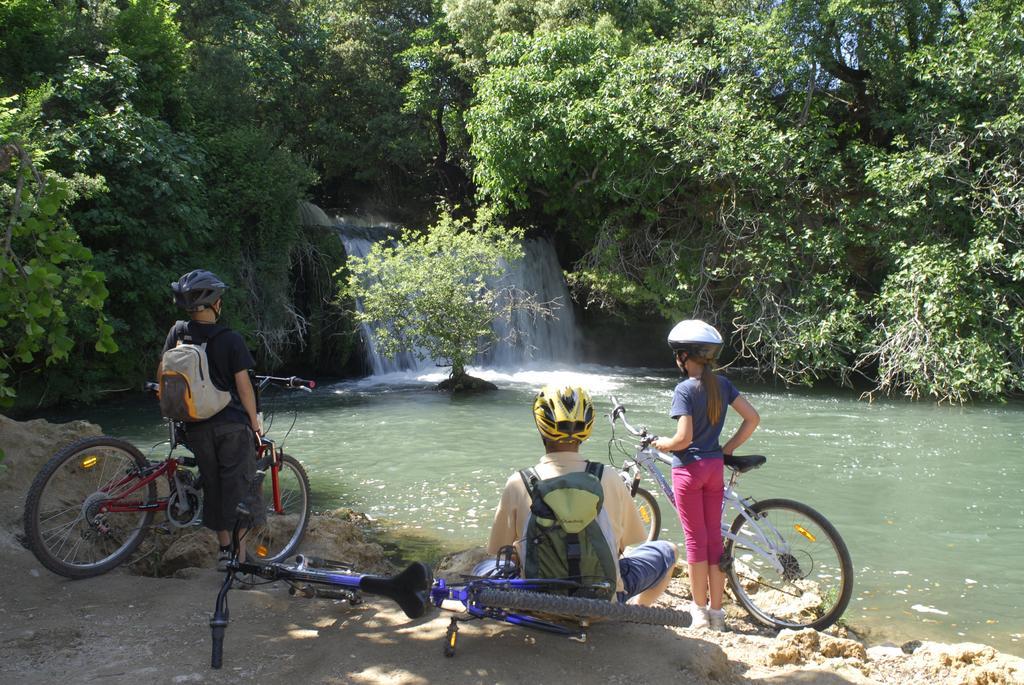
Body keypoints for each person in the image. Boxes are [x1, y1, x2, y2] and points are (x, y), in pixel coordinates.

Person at [484, 385, 677, 606]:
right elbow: (624, 546)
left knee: (484, 568)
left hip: (537, 605)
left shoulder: (519, 482)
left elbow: (500, 551)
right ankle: (632, 612)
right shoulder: (609, 477)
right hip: (601, 605)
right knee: (668, 550)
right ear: (588, 427)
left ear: (540, 427)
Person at [653, 320, 760, 632]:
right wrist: (724, 449)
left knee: (695, 542)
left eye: (678, 355)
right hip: (714, 468)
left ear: (684, 357)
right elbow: (752, 419)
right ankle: (718, 613)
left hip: (688, 470)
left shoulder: (684, 389)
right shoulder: (722, 385)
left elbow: (683, 439)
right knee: (715, 539)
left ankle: (698, 612)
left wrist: (663, 442)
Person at [158, 269, 262, 570]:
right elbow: (244, 387)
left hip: (194, 425)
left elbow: (163, 372)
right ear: (215, 303)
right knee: (241, 487)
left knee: (214, 487)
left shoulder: (178, 333)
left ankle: (223, 551)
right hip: (230, 425)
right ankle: (240, 560)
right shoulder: (230, 339)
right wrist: (255, 424)